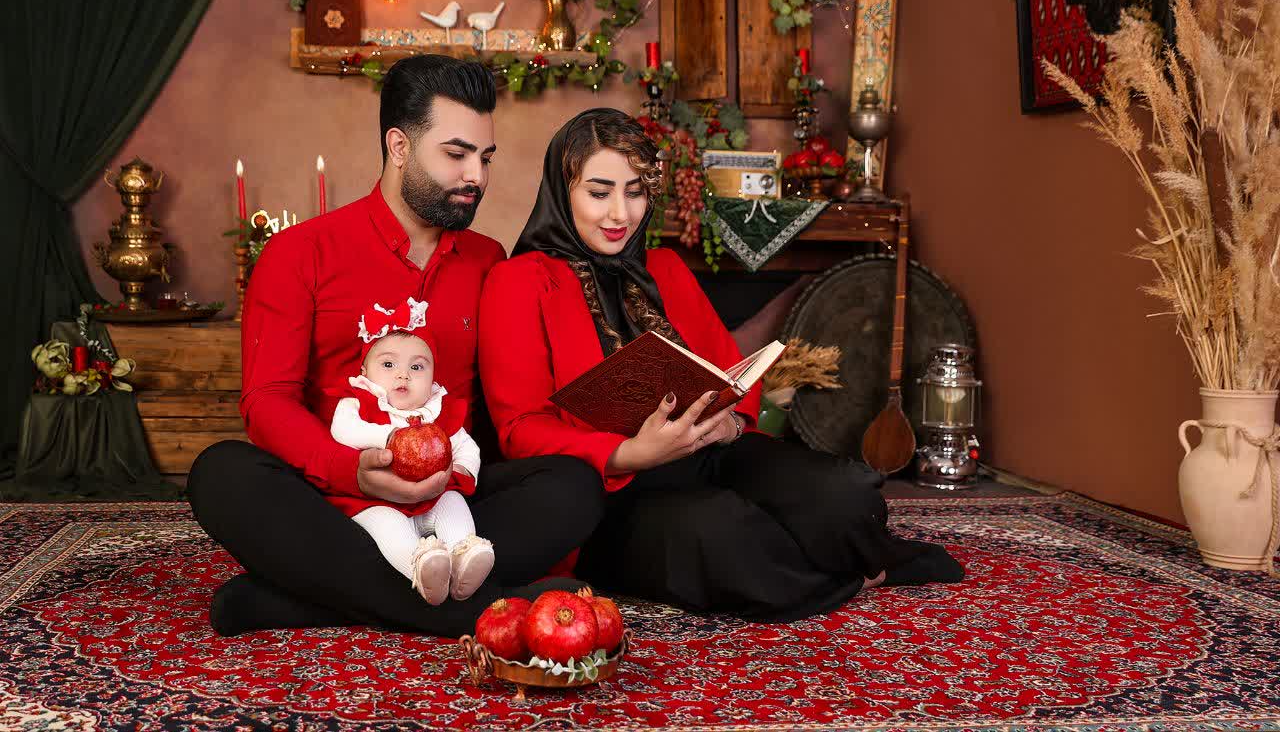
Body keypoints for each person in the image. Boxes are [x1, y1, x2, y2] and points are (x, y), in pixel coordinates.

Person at [479, 108, 963, 623]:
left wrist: (728, 424)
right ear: (563, 190)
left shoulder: (664, 267)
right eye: (599, 193)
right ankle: (840, 569)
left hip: (709, 454)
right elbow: (519, 429)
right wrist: (630, 452)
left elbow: (731, 372)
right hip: (612, 490)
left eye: (635, 192)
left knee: (843, 494)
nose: (620, 213)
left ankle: (807, 554)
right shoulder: (517, 281)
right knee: (720, 534)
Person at [187, 56, 604, 638]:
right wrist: (352, 471)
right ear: (399, 146)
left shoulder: (487, 260)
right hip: (334, 500)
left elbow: (502, 406)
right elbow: (267, 400)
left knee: (575, 487)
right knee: (220, 473)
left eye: (485, 158)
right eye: (456, 154)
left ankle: (306, 599)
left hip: (448, 499)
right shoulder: (300, 254)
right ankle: (478, 609)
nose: (477, 176)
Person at [328, 297, 494, 605]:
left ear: (432, 378)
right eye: (388, 365)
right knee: (387, 526)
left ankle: (464, 556)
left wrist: (462, 470)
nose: (403, 375)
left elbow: (465, 445)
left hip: (432, 495)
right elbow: (343, 429)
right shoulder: (360, 402)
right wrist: (388, 436)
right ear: (365, 371)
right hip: (376, 500)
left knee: (453, 502)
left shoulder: (436, 411)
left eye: (416, 367)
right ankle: (423, 568)